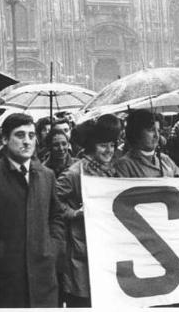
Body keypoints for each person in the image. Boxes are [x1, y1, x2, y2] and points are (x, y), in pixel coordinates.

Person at [0, 113, 64, 308]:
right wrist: (0, 254)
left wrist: (53, 247)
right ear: (5, 139)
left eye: (31, 136)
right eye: (20, 135)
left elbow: (56, 216)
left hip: (44, 279)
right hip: (9, 281)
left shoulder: (46, 175)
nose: (27, 142)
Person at [56, 117, 121, 307]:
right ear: (93, 146)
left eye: (112, 144)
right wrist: (75, 213)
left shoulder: (113, 170)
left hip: (107, 251)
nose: (109, 150)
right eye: (103, 145)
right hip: (81, 256)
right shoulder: (75, 173)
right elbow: (53, 202)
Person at [115, 109, 179, 178]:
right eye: (151, 130)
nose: (157, 135)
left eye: (158, 130)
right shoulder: (125, 164)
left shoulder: (165, 159)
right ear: (137, 132)